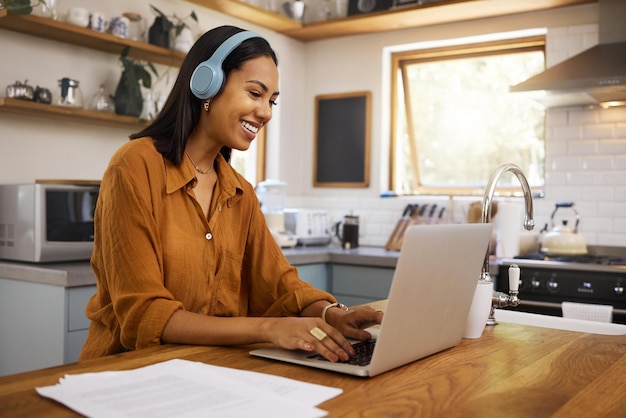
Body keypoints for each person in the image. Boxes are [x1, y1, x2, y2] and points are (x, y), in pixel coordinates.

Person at [79, 25, 383, 363]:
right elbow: (145, 314)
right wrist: (268, 329)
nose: (266, 112)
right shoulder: (135, 166)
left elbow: (280, 284)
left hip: (216, 370)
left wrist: (331, 313)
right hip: (128, 374)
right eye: (255, 93)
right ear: (206, 83)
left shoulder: (240, 192)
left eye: (272, 101)